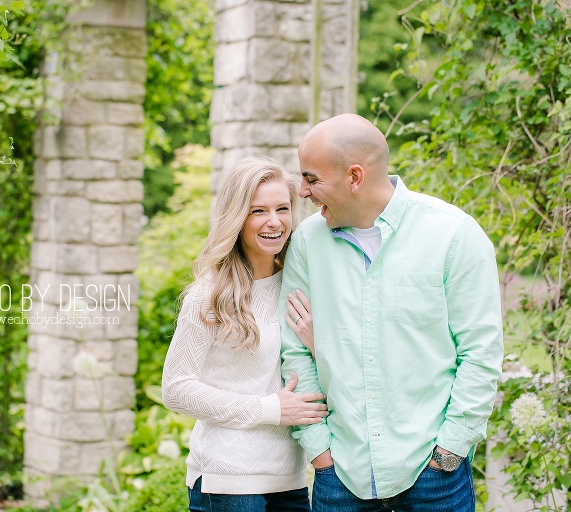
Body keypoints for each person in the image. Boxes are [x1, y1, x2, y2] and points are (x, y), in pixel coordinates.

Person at [279, 113, 504, 512]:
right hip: (340, 476)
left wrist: (449, 451)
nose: (302, 192)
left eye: (312, 179)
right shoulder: (307, 243)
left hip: (435, 476)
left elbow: (480, 353)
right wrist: (320, 453)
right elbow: (295, 352)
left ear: (354, 176)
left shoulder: (454, 235)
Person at [162, 156, 328, 512]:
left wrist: (318, 344)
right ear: (237, 218)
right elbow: (176, 389)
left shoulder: (298, 285)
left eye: (282, 208)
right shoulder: (209, 296)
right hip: (229, 482)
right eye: (258, 211)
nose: (274, 222)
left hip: (292, 479)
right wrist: (268, 408)